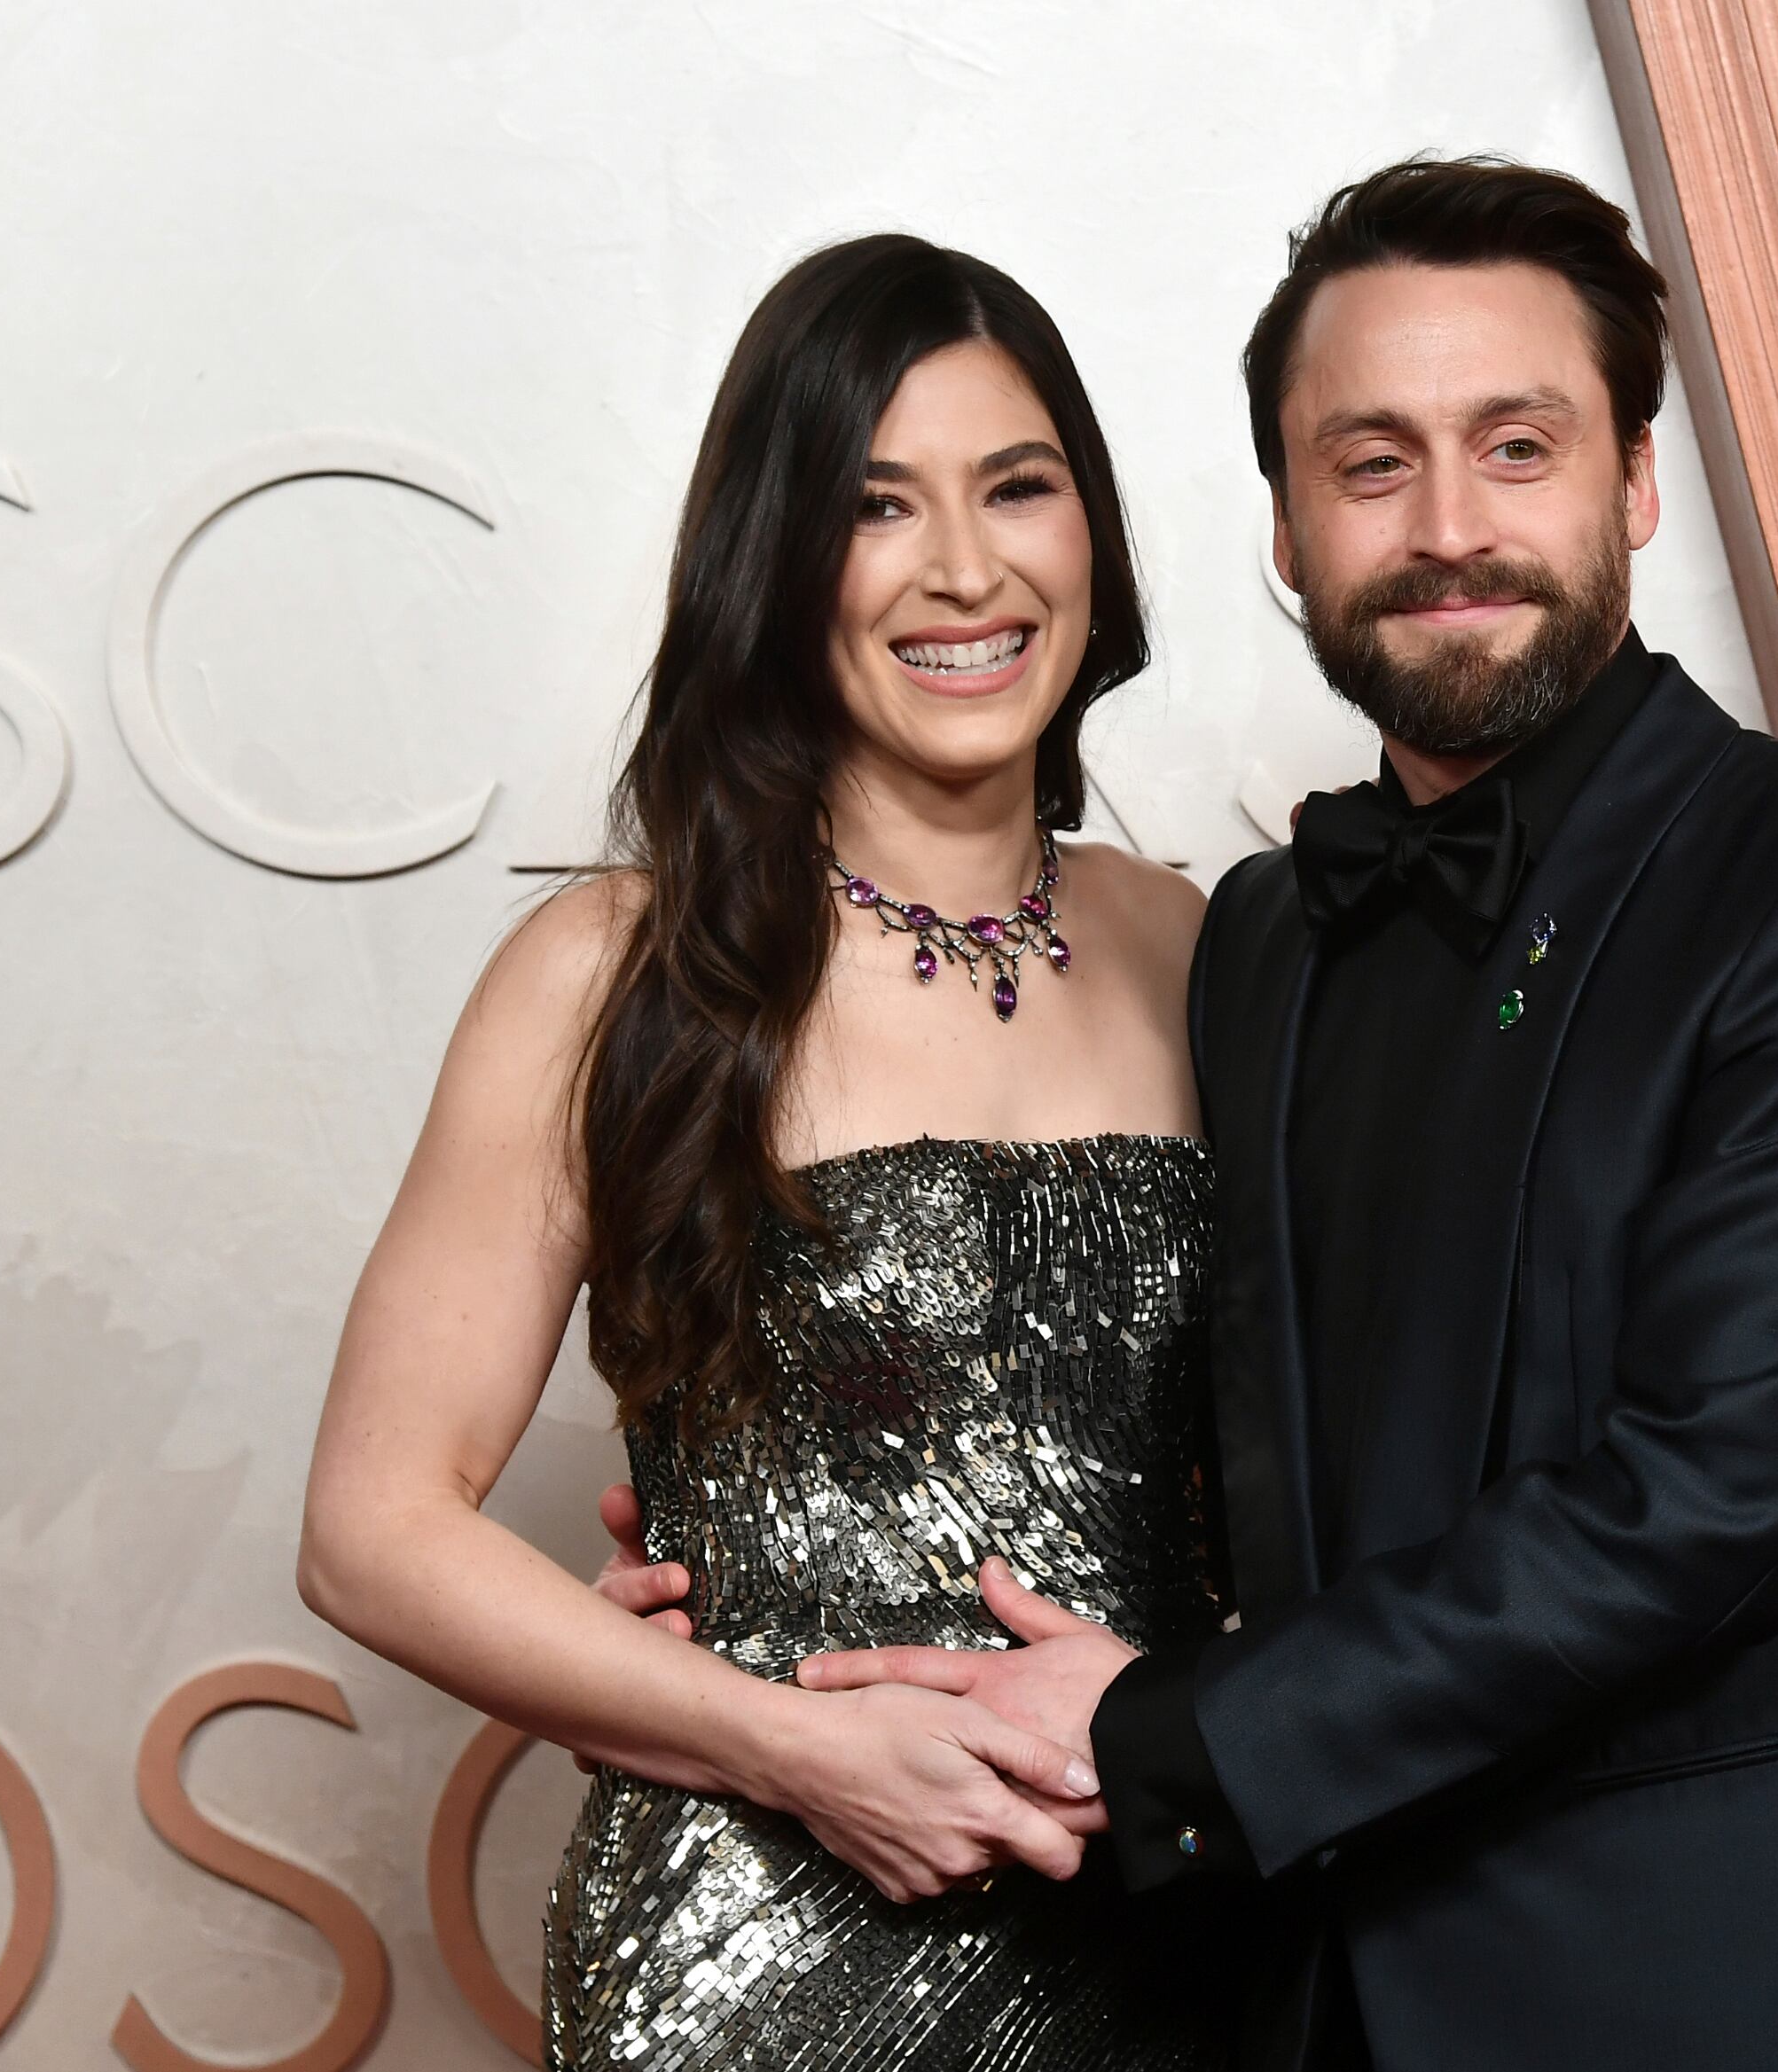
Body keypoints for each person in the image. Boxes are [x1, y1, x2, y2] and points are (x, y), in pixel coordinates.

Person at [731, 159, 1778, 2068]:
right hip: (1321, 1992)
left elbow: (1712, 1489)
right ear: (1283, 522)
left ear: (1635, 480)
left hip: (1748, 1989)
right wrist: (781, 1546)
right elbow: (1178, 1416)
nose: (1448, 528)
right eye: (1370, 464)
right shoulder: (1262, 935)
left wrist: (1156, 1733)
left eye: (1515, 445)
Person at [297, 233, 1235, 2068]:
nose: (964, 569)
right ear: (777, 562)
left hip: (1176, 1932)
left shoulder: (1206, 942)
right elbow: (370, 1524)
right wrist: (785, 1739)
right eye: (876, 506)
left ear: (1092, 535)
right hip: (756, 1951)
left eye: (1016, 487)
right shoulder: (611, 970)